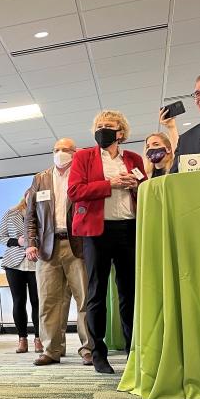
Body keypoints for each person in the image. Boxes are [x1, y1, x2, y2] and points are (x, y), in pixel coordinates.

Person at [68, 110, 146, 375]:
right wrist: (109, 183)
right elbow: (75, 191)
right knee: (96, 293)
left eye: (109, 126)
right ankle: (98, 352)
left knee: (129, 292)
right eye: (99, 126)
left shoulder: (134, 159)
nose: (103, 130)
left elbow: (147, 190)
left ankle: (133, 350)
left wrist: (135, 185)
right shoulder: (83, 157)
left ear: (120, 132)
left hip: (129, 229)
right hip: (96, 232)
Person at [25, 138, 93, 367]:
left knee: (84, 299)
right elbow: (30, 215)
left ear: (76, 153)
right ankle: (51, 350)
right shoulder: (40, 178)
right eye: (56, 149)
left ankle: (88, 349)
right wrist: (31, 243)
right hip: (47, 248)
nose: (61, 153)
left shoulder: (83, 176)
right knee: (48, 302)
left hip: (79, 246)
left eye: (66, 149)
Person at [0, 195, 40, 355]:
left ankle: (39, 339)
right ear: (25, 197)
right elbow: (1, 237)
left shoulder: (42, 213)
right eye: (30, 196)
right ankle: (22, 339)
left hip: (36, 261)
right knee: (18, 301)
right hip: (13, 263)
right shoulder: (11, 213)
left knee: (38, 302)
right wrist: (18, 242)